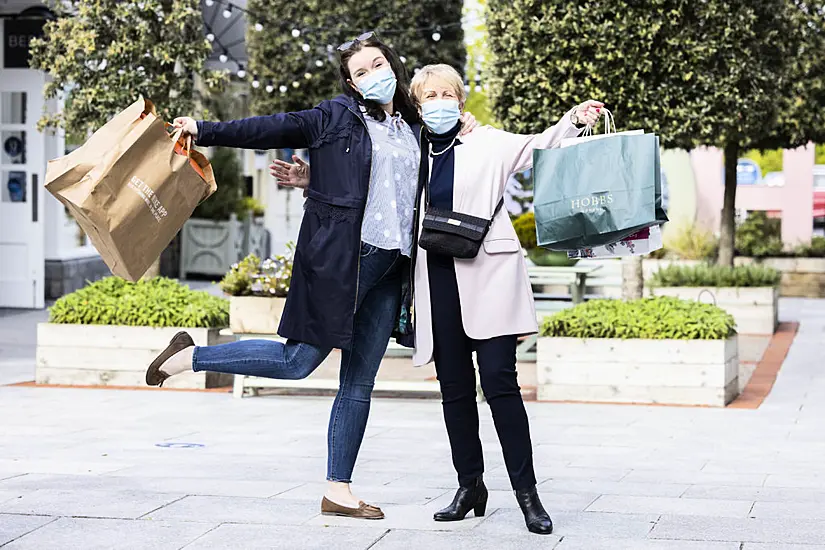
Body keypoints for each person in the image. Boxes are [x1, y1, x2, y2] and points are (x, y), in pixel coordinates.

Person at [144, 33, 476, 520]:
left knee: (359, 381)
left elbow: (386, 184)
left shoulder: (411, 124)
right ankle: (190, 356)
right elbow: (269, 127)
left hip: (394, 266)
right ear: (350, 81)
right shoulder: (335, 116)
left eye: (378, 64)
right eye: (361, 71)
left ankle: (337, 491)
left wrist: (463, 125)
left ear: (393, 64)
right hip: (346, 259)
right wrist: (203, 128)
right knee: (298, 361)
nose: (372, 75)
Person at [409, 64, 603, 534]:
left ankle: (528, 495)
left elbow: (541, 144)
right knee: (453, 390)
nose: (438, 100)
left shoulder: (487, 140)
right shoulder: (411, 149)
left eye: (446, 93)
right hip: (435, 281)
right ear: (418, 105)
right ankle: (469, 485)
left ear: (459, 99)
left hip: (489, 274)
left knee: (500, 384)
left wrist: (575, 118)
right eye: (429, 95)